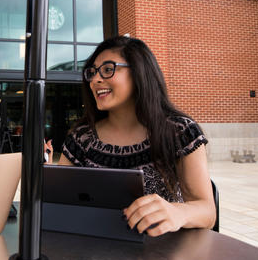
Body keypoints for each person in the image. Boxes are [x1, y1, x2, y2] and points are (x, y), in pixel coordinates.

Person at [56, 36, 215, 236]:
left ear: (139, 72)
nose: (95, 80)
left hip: (162, 253)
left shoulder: (180, 131)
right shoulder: (81, 138)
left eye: (107, 69)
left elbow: (207, 212)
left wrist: (178, 211)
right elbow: (57, 200)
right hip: (95, 248)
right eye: (92, 72)